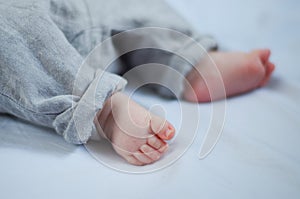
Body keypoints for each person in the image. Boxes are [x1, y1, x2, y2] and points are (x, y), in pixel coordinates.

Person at [0, 0, 275, 166]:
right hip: (30, 48)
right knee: (8, 28)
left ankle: (188, 59)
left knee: (129, 5)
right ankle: (103, 108)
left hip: (71, 11)